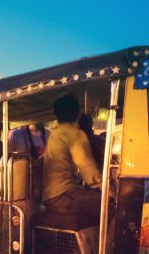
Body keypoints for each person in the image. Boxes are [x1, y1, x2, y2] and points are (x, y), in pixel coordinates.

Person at [41, 93, 103, 228]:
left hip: (48, 197)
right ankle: (108, 248)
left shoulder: (54, 134)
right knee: (109, 205)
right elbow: (87, 167)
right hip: (64, 196)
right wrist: (106, 188)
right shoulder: (75, 134)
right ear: (77, 114)